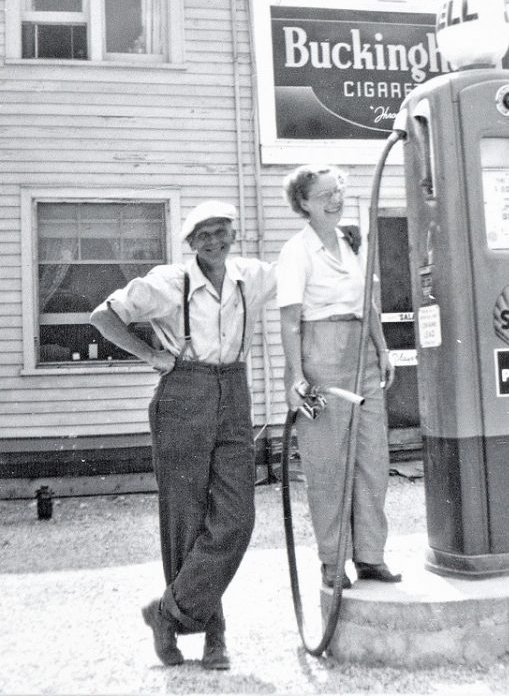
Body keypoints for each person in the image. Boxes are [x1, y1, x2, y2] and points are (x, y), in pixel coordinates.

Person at [89, 201, 276, 670]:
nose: (214, 241)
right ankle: (213, 637)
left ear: (233, 234)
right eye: (203, 234)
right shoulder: (167, 283)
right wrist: (152, 357)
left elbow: (298, 274)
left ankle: (167, 614)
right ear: (190, 243)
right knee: (185, 521)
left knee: (237, 518)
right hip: (183, 393)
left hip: (233, 389)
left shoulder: (250, 276)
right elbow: (103, 316)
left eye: (221, 231)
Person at [277, 164, 401, 589]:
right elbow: (290, 320)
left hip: (362, 351)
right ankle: (333, 561)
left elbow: (369, 300)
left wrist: (382, 350)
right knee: (328, 463)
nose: (335, 200)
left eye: (339, 191)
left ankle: (370, 555)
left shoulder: (352, 242)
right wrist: (294, 377)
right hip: (321, 350)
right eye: (324, 194)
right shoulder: (296, 251)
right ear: (304, 204)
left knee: (372, 457)